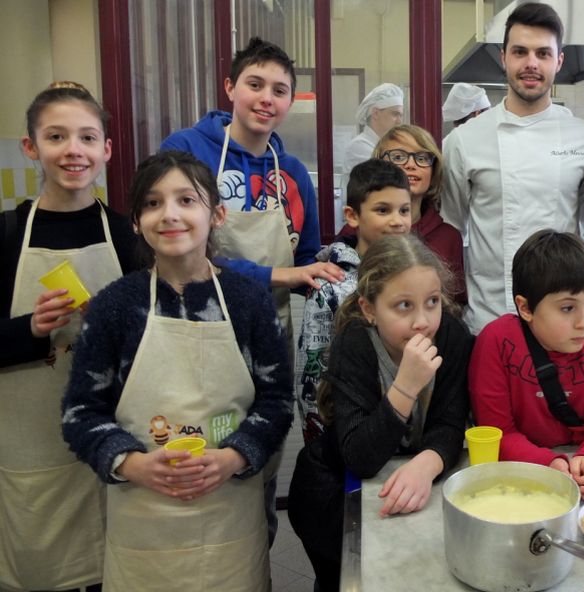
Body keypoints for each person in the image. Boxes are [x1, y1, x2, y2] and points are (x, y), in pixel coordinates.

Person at [62, 151, 292, 591]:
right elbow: (81, 412)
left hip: (231, 515)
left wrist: (234, 456)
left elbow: (277, 402)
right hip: (142, 518)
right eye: (152, 203)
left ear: (217, 214)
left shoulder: (249, 301)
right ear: (136, 222)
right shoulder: (115, 306)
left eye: (186, 200)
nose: (169, 214)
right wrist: (131, 464)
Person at [160, 36, 340, 545]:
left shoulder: (294, 177)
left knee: (256, 460)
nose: (267, 99)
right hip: (192, 329)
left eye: (280, 90)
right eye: (255, 85)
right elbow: (179, 248)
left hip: (267, 339)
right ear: (230, 88)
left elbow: (305, 260)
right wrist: (276, 277)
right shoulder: (188, 151)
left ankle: (251, 561)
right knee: (189, 452)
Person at [0, 82, 135, 592]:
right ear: (30, 147)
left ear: (105, 150)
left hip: (118, 444)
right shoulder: (7, 235)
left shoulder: (128, 236)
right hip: (30, 447)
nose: (72, 150)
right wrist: (29, 330)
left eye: (86, 137)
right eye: (56, 137)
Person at [288, 234, 473, 592]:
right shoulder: (355, 341)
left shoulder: (452, 336)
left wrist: (428, 462)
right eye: (403, 305)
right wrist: (405, 387)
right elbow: (360, 456)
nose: (423, 321)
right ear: (370, 309)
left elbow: (450, 422)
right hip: (332, 492)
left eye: (432, 301)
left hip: (409, 480)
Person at [441, 1, 584, 334]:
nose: (531, 63)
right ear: (504, 57)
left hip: (564, 319)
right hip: (488, 319)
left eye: (543, 53)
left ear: (558, 61)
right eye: (520, 52)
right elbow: (450, 229)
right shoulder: (465, 141)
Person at [470, 230, 584, 500]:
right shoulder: (496, 342)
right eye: (567, 308)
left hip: (576, 461)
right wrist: (548, 464)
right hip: (519, 479)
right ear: (525, 308)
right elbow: (498, 433)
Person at [296, 159, 412, 443]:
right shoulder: (330, 286)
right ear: (352, 215)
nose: (397, 220)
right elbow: (312, 373)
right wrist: (323, 444)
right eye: (383, 210)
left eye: (404, 210)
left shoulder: (417, 276)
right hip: (347, 436)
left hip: (408, 429)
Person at [374, 124, 466, 302]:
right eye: (398, 157)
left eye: (422, 158)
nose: (410, 164)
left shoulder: (448, 237)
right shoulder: (360, 230)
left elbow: (456, 305)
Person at [343, 82, 405, 173]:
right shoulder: (359, 147)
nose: (399, 121)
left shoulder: (385, 144)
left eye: (401, 115)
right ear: (375, 113)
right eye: (395, 114)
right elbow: (390, 179)